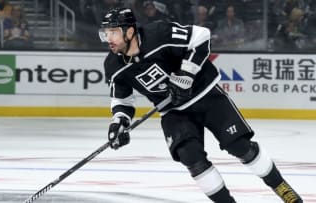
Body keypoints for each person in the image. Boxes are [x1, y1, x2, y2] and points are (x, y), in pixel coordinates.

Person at [98, 7, 303, 203]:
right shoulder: (113, 65)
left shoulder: (158, 34)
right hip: (173, 111)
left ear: (130, 31)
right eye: (106, 33)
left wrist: (187, 73)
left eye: (113, 32)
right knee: (192, 159)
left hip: (205, 94)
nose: (109, 38)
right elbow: (122, 100)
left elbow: (201, 36)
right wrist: (119, 123)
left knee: (241, 147)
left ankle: (283, 189)